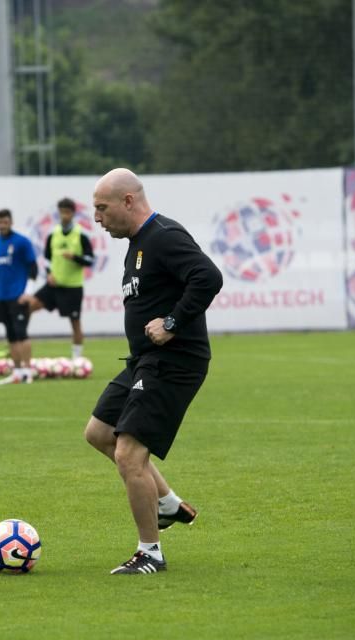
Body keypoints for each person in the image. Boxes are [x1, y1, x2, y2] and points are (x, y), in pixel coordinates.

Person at [84, 168, 223, 575]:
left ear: (128, 201)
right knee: (98, 433)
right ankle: (167, 504)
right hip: (144, 359)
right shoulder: (137, 242)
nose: (97, 218)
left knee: (129, 453)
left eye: (101, 208)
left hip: (174, 361)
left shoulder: (164, 235)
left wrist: (173, 323)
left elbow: (208, 277)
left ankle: (151, 553)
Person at [25, 197, 95, 359]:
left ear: (73, 213)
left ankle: (76, 359)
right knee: (26, 308)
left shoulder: (81, 235)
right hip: (53, 285)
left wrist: (75, 257)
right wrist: (49, 273)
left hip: (72, 287)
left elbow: (90, 259)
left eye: (67, 212)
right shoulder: (53, 234)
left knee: (75, 322)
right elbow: (47, 258)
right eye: (62, 212)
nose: (64, 215)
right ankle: (20, 344)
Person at [0, 208, 38, 385]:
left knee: (21, 333)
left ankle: (28, 371)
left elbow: (33, 268)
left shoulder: (22, 242)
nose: (2, 225)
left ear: (11, 221)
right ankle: (17, 372)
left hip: (19, 296)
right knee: (10, 335)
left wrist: (28, 292)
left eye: (5, 221)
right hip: (2, 297)